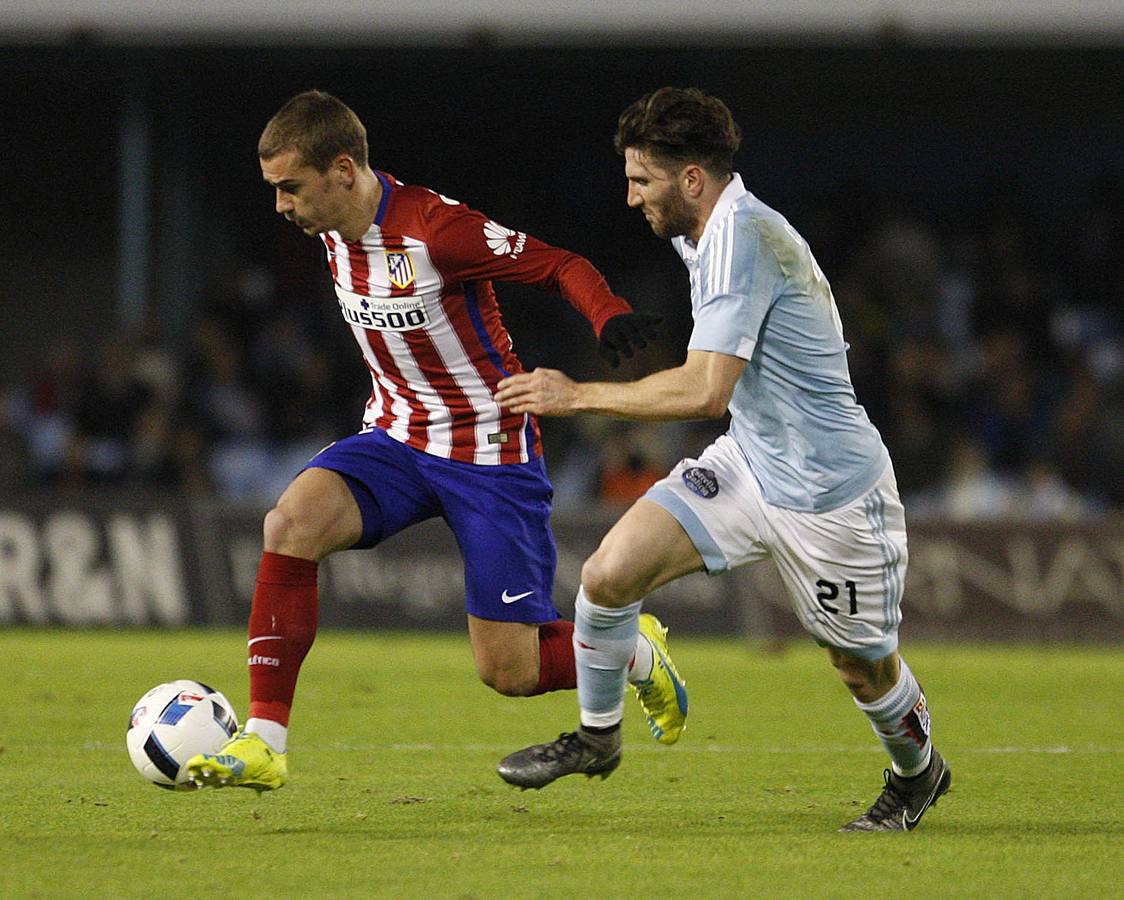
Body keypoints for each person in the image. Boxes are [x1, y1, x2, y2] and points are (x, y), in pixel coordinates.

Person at [185, 90, 686, 792]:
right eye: (274, 190)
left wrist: (608, 315)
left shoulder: (435, 229)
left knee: (508, 671)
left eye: (290, 188)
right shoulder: (325, 228)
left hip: (488, 453)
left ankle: (633, 652)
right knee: (290, 523)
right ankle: (264, 741)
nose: (281, 206)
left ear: (344, 170)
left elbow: (559, 264)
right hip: (396, 435)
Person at [494, 87, 951, 833]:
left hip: (829, 493)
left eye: (642, 178)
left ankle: (918, 771)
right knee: (609, 575)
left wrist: (579, 395)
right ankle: (597, 737)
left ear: (692, 179)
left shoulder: (743, 239)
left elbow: (708, 388)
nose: (631, 194)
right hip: (750, 461)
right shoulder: (702, 232)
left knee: (860, 665)